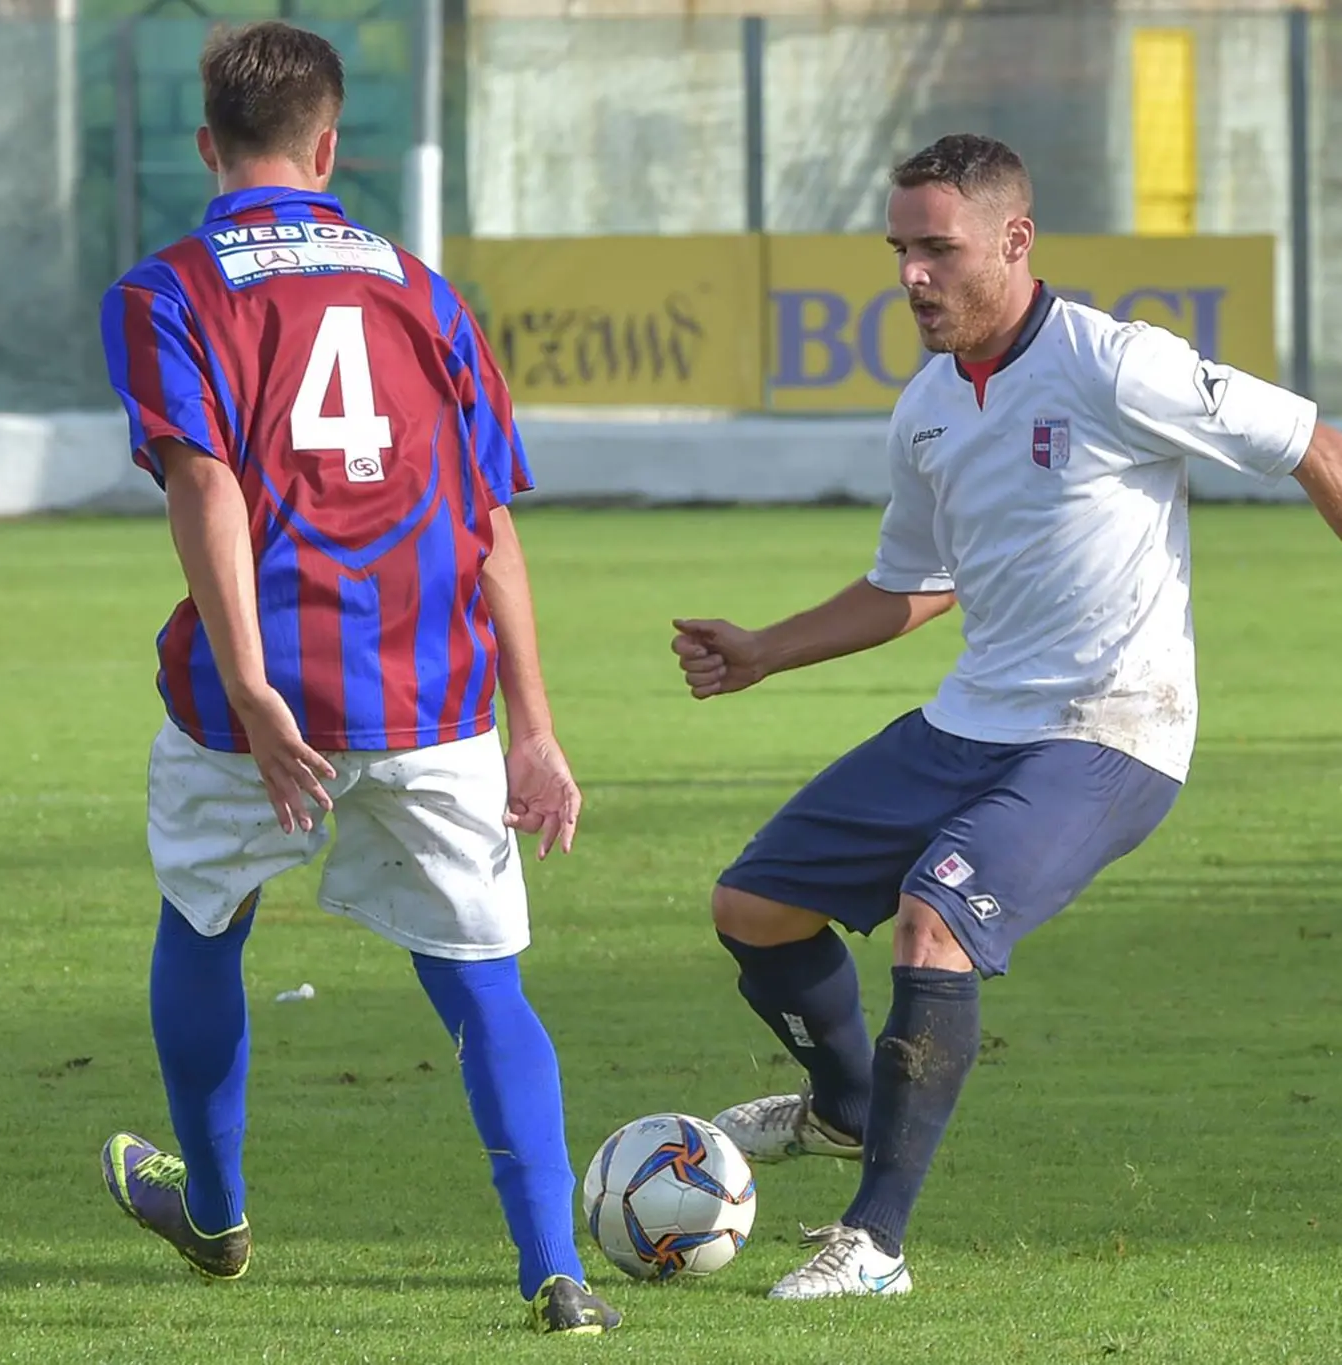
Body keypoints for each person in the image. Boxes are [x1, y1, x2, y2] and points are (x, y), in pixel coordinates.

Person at [672, 132, 1342, 1302]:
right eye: (900, 250)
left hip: (1112, 729)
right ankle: (846, 1108)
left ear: (1016, 243)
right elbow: (915, 583)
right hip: (971, 721)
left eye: (939, 248)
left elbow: (1311, 444)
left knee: (935, 921)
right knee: (754, 906)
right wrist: (764, 651)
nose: (912, 276)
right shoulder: (928, 407)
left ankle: (873, 1244)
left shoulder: (1115, 365)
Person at [97, 20, 619, 1336]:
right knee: (484, 980)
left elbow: (204, 484)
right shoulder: (424, 291)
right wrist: (537, 728)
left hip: (249, 706)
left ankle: (216, 1215)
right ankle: (556, 1272)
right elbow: (488, 514)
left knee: (204, 923)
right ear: (330, 148)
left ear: (206, 146)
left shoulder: (169, 290)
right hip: (437, 689)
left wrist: (256, 687)